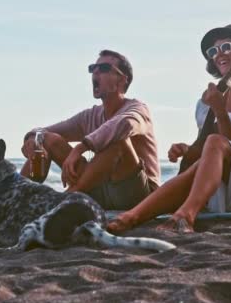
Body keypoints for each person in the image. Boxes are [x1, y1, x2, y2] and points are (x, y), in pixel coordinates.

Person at [108, 24, 231, 234]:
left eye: (226, 46)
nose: (219, 55)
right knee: (199, 162)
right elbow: (212, 152)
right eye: (213, 51)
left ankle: (186, 215)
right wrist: (188, 150)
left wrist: (220, 109)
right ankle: (132, 216)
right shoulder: (212, 97)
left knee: (215, 143)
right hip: (229, 181)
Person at [20, 49, 161, 211]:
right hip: (100, 190)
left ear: (122, 80)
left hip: (138, 194)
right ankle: (19, 197)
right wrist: (32, 139)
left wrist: (80, 148)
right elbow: (44, 131)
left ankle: (65, 198)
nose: (95, 72)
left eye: (104, 68)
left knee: (119, 141)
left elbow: (124, 125)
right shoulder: (91, 115)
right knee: (48, 139)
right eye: (93, 68)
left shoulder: (138, 109)